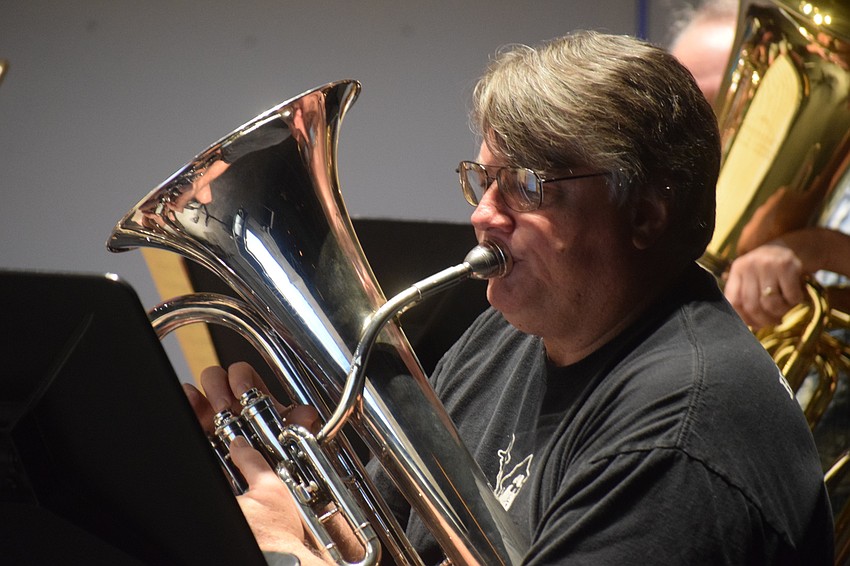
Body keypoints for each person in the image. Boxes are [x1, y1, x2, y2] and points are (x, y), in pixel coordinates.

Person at [186, 31, 834, 564]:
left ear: (645, 215)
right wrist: (302, 504)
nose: (483, 216)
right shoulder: (513, 334)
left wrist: (295, 558)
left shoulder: (677, 447)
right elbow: (404, 551)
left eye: (526, 185)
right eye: (482, 180)